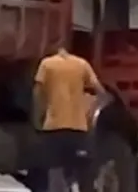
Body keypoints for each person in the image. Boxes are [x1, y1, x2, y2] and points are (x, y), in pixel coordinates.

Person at [33, 48, 106, 192]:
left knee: (55, 172)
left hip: (54, 129)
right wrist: (90, 113)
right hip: (79, 130)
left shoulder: (47, 64)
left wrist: (37, 117)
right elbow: (101, 93)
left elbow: (37, 93)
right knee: (83, 173)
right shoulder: (81, 64)